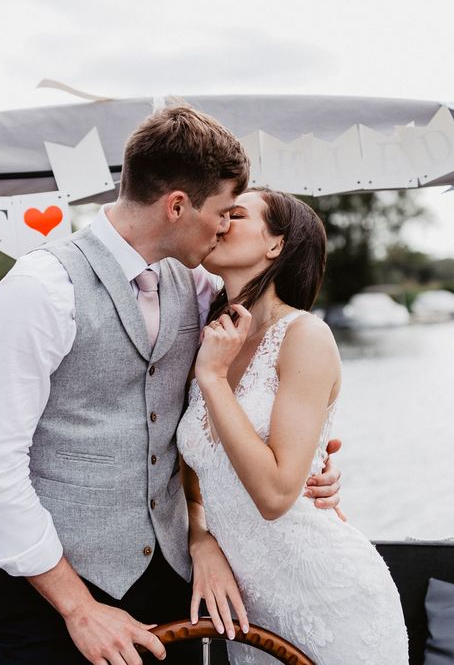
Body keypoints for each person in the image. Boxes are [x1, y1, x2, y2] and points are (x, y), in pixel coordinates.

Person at [0, 106, 343, 665]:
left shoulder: (196, 285)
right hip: (47, 602)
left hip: (172, 587)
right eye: (222, 212)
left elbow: (232, 408)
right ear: (176, 206)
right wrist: (78, 608)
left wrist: (306, 474)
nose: (223, 227)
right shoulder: (40, 290)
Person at [178, 188, 409, 664]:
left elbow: (277, 496)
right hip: (251, 614)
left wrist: (214, 379)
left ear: (276, 245)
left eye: (235, 215)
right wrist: (200, 539)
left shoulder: (306, 335)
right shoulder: (209, 336)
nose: (219, 222)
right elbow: (191, 485)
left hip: (333, 603)